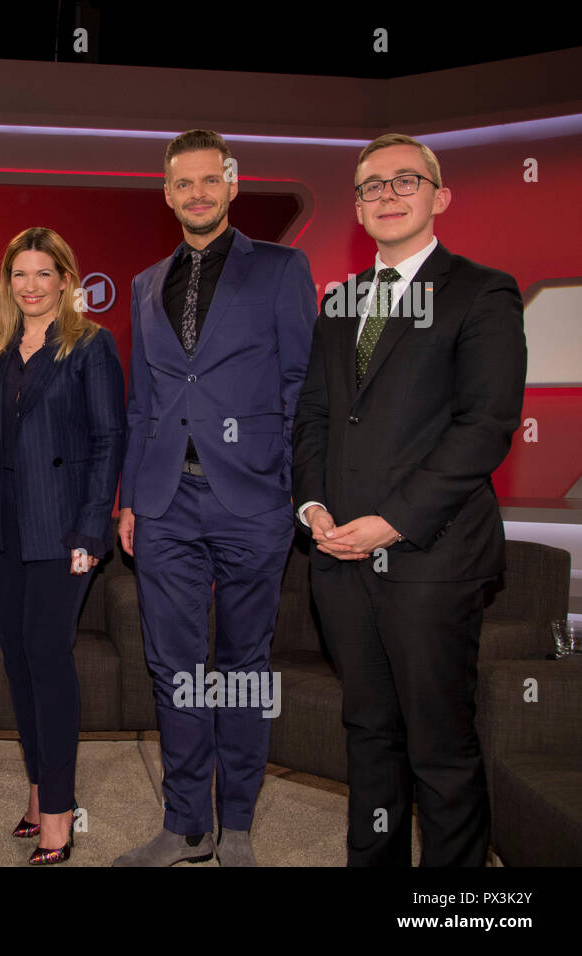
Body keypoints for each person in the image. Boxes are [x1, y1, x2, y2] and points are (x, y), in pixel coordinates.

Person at [292, 133, 526, 867]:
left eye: (404, 182)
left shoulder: (482, 292)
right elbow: (316, 420)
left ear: (438, 197)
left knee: (440, 747)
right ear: (358, 208)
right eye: (371, 187)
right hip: (339, 558)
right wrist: (314, 510)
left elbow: (484, 425)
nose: (387, 196)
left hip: (432, 556)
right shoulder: (343, 302)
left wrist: (392, 522)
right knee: (369, 732)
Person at [113, 130, 316, 867]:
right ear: (166, 193)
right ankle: (185, 823)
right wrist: (132, 498)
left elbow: (303, 389)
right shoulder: (143, 284)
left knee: (243, 667)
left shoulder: (282, 269)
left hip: (252, 501)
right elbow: (145, 403)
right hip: (166, 503)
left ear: (232, 185)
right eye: (182, 183)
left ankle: (238, 826)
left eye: (210, 180)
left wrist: (293, 489)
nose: (197, 193)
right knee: (173, 667)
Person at [0, 227, 125, 865]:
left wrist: (92, 531)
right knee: (17, 662)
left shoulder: (91, 346)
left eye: (45, 274)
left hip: (65, 531)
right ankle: (38, 791)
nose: (32, 287)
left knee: (48, 656)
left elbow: (107, 442)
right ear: (8, 283)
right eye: (20, 275)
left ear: (68, 280)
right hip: (3, 532)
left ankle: (61, 814)